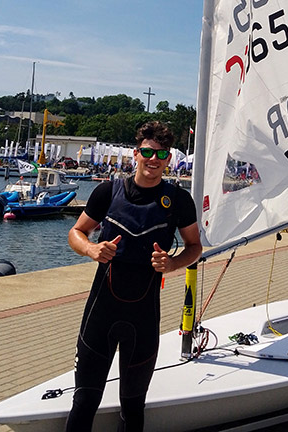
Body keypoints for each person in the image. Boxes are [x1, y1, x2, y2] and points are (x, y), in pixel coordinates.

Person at [66, 121, 202, 432]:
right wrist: (91, 250)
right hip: (100, 314)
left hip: (143, 319)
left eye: (161, 155)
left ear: (168, 159)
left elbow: (195, 246)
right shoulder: (108, 192)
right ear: (135, 153)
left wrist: (172, 263)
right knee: (85, 401)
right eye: (147, 152)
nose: (153, 160)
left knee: (132, 406)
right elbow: (76, 232)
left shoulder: (178, 201)